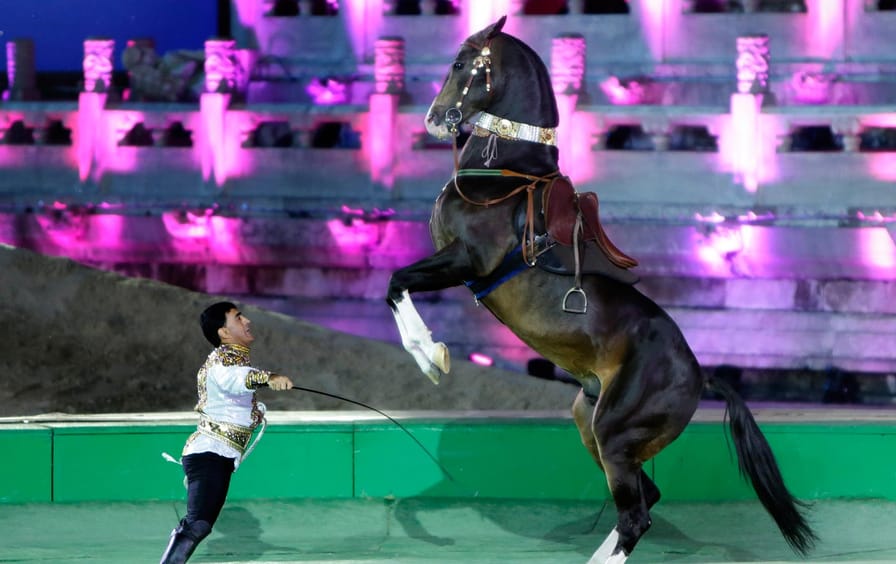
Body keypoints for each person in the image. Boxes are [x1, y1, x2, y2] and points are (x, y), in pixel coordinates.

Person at [159, 301, 294, 564]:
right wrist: (268, 377)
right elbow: (234, 378)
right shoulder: (222, 362)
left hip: (217, 456)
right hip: (208, 454)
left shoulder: (233, 359)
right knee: (197, 525)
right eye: (238, 318)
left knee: (199, 524)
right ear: (224, 332)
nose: (247, 322)